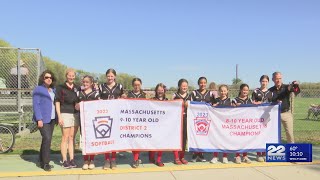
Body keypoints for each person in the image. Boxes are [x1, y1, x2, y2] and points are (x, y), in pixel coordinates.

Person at [99, 68, 126, 170]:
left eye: (112, 76)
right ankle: (106, 159)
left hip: (116, 114)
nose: (110, 78)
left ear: (115, 76)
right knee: (106, 136)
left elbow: (123, 96)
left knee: (114, 137)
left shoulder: (120, 86)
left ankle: (113, 159)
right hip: (105, 115)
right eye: (108, 76)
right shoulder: (101, 86)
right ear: (106, 76)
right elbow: (98, 98)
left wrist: (123, 96)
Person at [32, 70, 57, 171]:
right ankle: (46, 163)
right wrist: (39, 119)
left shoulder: (53, 90)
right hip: (43, 119)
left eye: (50, 77)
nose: (49, 79)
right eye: (47, 77)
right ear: (43, 78)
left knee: (47, 139)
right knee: (47, 138)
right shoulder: (38, 89)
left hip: (52, 118)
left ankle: (41, 159)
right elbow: (36, 105)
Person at [55, 68, 80, 169]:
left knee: (72, 137)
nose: (71, 77)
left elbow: (79, 100)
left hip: (75, 114)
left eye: (73, 75)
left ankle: (72, 159)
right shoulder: (60, 87)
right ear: (66, 76)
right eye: (69, 75)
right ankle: (65, 160)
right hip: (64, 113)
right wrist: (59, 116)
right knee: (65, 137)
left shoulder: (77, 88)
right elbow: (57, 102)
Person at [75, 75, 100, 170]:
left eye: (87, 82)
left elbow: (99, 106)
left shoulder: (96, 94)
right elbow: (76, 106)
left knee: (92, 140)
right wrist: (78, 105)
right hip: (83, 121)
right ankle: (85, 160)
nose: (85, 84)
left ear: (91, 83)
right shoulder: (79, 93)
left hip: (93, 121)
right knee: (84, 140)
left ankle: (92, 160)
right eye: (84, 82)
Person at [269, 72, 300, 143]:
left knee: (289, 133)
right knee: (274, 133)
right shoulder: (270, 90)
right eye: (276, 78)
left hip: (286, 114)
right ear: (273, 79)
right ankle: (276, 150)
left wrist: (295, 85)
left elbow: (296, 91)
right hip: (275, 114)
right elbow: (268, 101)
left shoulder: (286, 87)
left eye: (280, 78)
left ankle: (291, 150)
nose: (278, 80)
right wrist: (275, 101)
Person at [191, 77, 216, 163]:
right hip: (196, 118)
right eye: (201, 83)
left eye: (204, 82)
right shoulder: (194, 93)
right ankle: (195, 153)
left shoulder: (210, 93)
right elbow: (189, 104)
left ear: (206, 83)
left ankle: (201, 154)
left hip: (207, 118)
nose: (203, 84)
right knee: (196, 135)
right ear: (198, 83)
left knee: (203, 136)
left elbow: (215, 104)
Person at [252, 75, 273, 162]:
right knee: (258, 134)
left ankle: (264, 153)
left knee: (266, 134)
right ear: (260, 82)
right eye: (263, 81)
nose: (264, 83)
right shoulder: (256, 91)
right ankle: (258, 154)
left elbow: (272, 104)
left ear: (268, 82)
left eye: (266, 81)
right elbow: (252, 102)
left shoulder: (270, 92)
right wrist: (257, 103)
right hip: (257, 116)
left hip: (267, 116)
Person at [127, 78, 146, 168]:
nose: (137, 86)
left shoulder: (144, 95)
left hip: (140, 121)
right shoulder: (129, 94)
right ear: (132, 85)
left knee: (138, 140)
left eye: (138, 85)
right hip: (131, 120)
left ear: (141, 85)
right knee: (133, 140)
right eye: (135, 85)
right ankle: (136, 158)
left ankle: (136, 157)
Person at [232, 83, 252, 164]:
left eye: (247, 90)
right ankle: (237, 155)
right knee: (238, 140)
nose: (245, 91)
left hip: (247, 123)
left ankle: (245, 156)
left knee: (246, 140)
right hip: (238, 123)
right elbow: (231, 110)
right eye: (244, 90)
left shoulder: (250, 100)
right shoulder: (235, 99)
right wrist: (235, 106)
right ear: (240, 90)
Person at [171, 79, 191, 165]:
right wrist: (179, 103)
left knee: (184, 138)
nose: (184, 87)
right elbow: (170, 106)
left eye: (186, 86)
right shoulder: (174, 95)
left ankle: (182, 156)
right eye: (183, 85)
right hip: (177, 119)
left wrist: (189, 104)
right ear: (179, 86)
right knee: (176, 138)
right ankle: (176, 157)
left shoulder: (190, 96)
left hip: (187, 118)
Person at [212, 84, 232, 164]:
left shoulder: (230, 101)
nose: (223, 92)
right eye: (221, 91)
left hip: (226, 124)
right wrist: (212, 106)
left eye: (224, 91)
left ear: (227, 91)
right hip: (217, 124)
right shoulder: (215, 100)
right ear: (219, 92)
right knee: (216, 140)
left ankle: (225, 156)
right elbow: (210, 110)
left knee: (225, 140)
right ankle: (215, 156)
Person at [149, 83, 167, 167]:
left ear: (164, 91)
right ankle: (151, 157)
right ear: (156, 90)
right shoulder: (151, 100)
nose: (160, 91)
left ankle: (159, 159)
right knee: (152, 142)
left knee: (161, 143)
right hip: (153, 125)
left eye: (162, 90)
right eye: (158, 90)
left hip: (163, 125)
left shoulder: (167, 100)